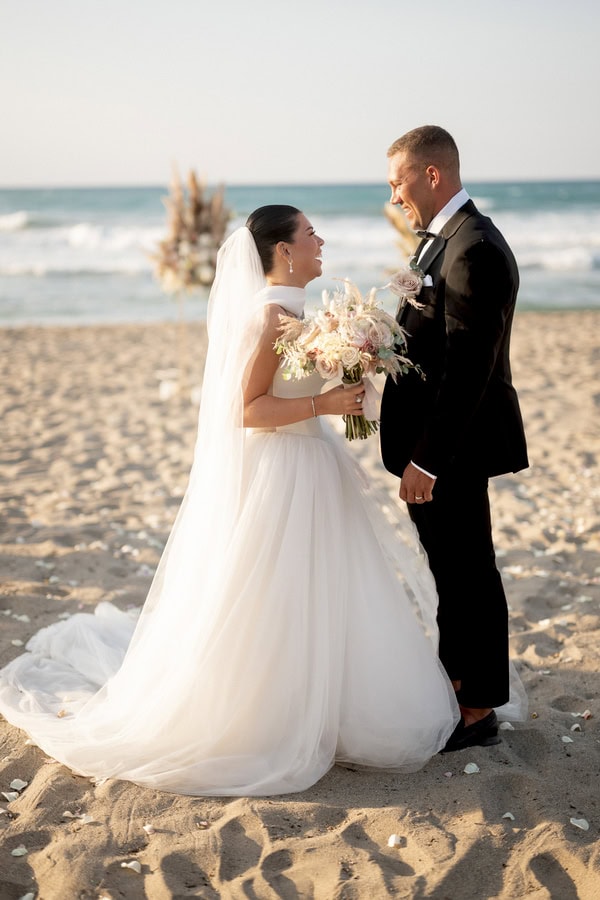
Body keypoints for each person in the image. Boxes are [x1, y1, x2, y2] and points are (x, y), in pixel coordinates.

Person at [0, 205, 459, 796]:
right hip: (283, 471)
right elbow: (246, 409)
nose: (321, 240)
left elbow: (313, 390)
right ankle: (275, 712)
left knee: (324, 588)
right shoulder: (269, 316)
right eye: (310, 233)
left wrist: (356, 380)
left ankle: (329, 705)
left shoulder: (303, 314)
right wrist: (323, 404)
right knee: (279, 593)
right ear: (285, 252)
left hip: (315, 465)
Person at [380, 126, 529, 752]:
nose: (394, 197)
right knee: (452, 571)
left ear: (432, 174)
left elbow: (469, 370)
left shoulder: (474, 248)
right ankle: (461, 683)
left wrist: (428, 461)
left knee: (469, 573)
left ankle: (477, 708)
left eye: (399, 182)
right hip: (441, 446)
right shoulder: (441, 241)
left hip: (454, 449)